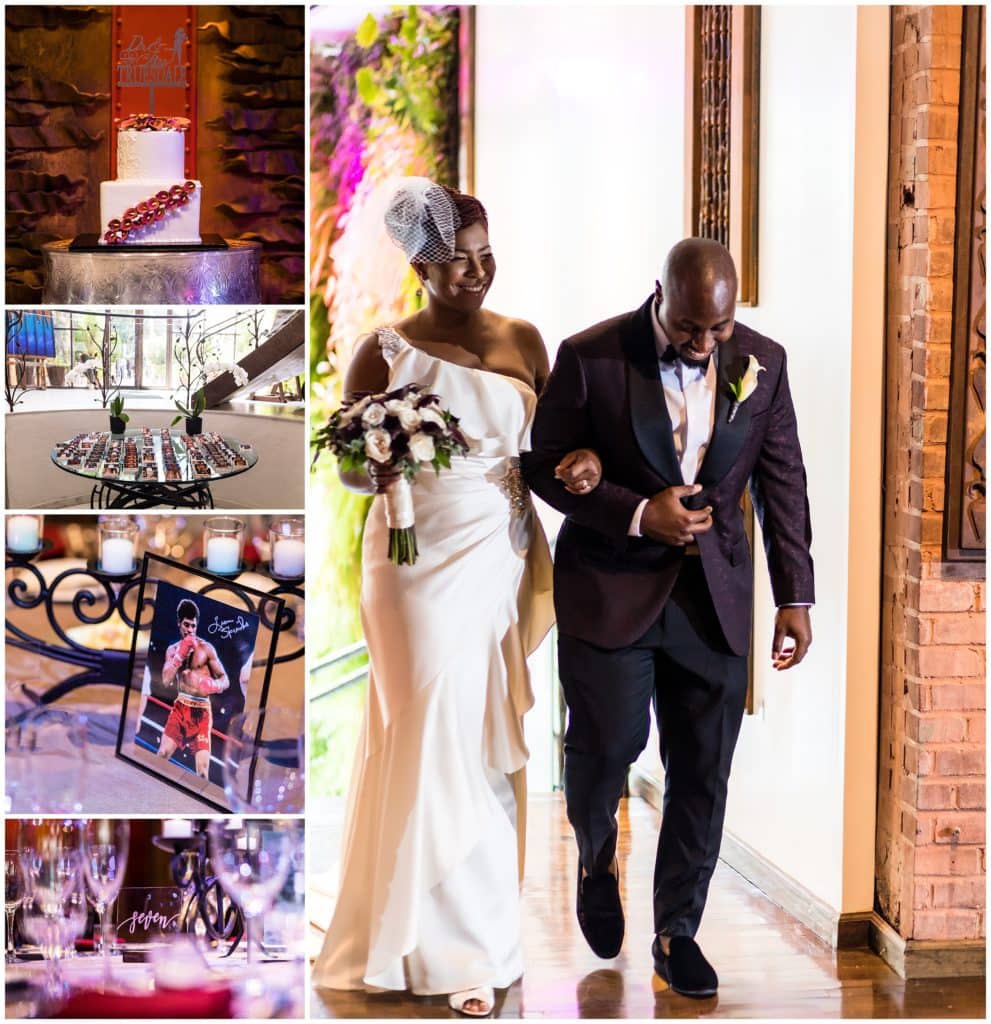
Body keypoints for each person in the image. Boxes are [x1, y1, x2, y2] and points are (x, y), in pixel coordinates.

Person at [312, 178, 601, 1017]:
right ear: (421, 266)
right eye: (456, 260)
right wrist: (383, 462)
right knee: (429, 724)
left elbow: (551, 451)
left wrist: (579, 468)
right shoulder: (384, 349)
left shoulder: (525, 339)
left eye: (484, 255)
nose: (475, 272)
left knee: (478, 735)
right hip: (411, 559)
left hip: (500, 552)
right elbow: (350, 466)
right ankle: (420, 943)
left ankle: (475, 935)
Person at [521, 238, 814, 998]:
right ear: (660, 294)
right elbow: (542, 464)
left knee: (702, 772)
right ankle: (595, 856)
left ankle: (675, 931)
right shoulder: (590, 356)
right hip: (611, 591)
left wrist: (795, 596)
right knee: (606, 746)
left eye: (717, 330)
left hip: (713, 601)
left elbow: (783, 479)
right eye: (689, 328)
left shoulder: (763, 361)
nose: (704, 344)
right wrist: (630, 513)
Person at [157, 597, 229, 780]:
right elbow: (165, 680)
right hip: (181, 707)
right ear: (179, 624)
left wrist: (215, 685)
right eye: (186, 625)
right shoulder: (172, 650)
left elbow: (225, 679)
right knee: (162, 754)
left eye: (193, 626)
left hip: (202, 713)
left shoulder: (206, 648)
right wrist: (180, 655)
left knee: (203, 772)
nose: (190, 630)